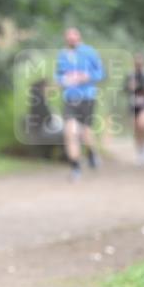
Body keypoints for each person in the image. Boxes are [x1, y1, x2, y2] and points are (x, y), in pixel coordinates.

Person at [55, 27, 103, 179]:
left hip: (87, 97)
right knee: (70, 132)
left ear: (79, 36)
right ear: (65, 39)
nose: (71, 39)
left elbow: (100, 73)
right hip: (69, 98)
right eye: (68, 36)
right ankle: (75, 167)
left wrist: (86, 77)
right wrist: (64, 79)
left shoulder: (89, 52)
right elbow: (58, 76)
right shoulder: (62, 55)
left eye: (74, 36)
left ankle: (91, 152)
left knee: (85, 132)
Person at [124, 52, 144, 163]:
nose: (139, 64)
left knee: (143, 125)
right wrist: (130, 87)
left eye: (140, 61)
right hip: (133, 105)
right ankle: (139, 150)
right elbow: (125, 89)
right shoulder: (130, 75)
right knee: (135, 128)